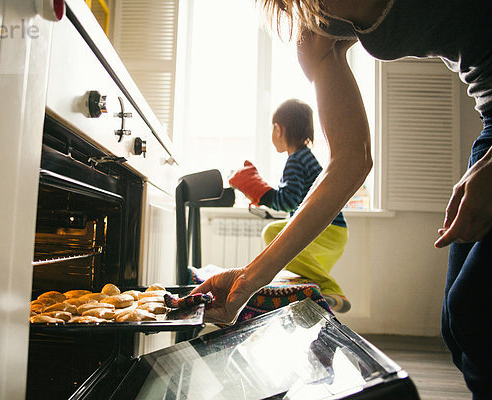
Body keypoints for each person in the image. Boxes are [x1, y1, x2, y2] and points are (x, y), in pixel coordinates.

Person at [191, 0, 492, 397]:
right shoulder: (315, 28)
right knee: (461, 324)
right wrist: (247, 282)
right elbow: (350, 160)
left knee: (477, 318)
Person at [229, 98, 351, 312]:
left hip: (327, 231)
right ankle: (323, 294)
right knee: (301, 269)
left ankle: (332, 289)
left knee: (272, 233)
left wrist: (260, 192)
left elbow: (288, 200)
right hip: (334, 233)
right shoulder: (305, 157)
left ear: (278, 129)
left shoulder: (296, 159)